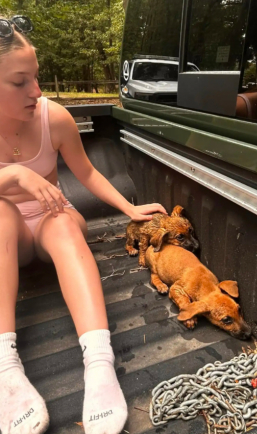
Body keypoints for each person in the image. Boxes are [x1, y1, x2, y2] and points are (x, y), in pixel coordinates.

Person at [0, 16, 167, 434]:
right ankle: (5, 369)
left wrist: (129, 210)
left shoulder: (52, 118)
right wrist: (17, 176)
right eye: (20, 82)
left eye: (36, 77)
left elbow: (88, 174)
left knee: (62, 220)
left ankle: (99, 363)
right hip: (7, 238)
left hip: (52, 227)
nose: (36, 91)